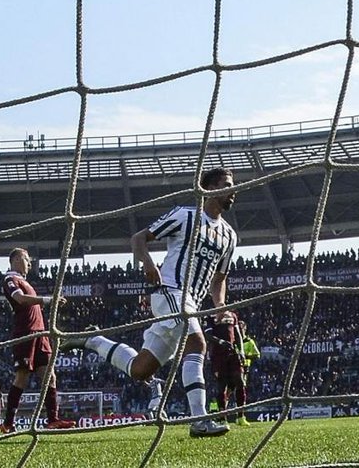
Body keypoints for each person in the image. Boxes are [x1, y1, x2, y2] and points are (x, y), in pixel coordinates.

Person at [62, 167, 239, 438]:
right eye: (227, 184)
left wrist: (220, 306)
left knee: (141, 369)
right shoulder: (185, 216)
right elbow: (138, 238)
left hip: (191, 302)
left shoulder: (229, 235)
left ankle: (93, 340)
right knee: (197, 344)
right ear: (210, 188)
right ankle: (200, 420)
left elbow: (219, 278)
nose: (233, 190)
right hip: (170, 291)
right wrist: (147, 264)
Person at [0, 247, 76, 432]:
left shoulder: (25, 282)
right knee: (22, 377)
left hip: (40, 335)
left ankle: (53, 419)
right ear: (16, 260)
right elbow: (20, 299)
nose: (29, 264)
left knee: (50, 376)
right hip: (25, 333)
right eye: (27, 260)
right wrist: (48, 300)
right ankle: (8, 423)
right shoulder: (11, 279)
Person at [210, 310, 249, 426]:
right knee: (222, 386)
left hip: (233, 353)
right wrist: (221, 342)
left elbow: (237, 334)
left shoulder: (232, 315)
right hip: (218, 356)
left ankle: (241, 416)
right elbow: (207, 334)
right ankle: (223, 417)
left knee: (240, 382)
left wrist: (241, 351)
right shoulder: (211, 314)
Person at [237, 318, 260, 416]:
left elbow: (257, 355)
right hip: (233, 366)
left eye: (241, 329)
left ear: (245, 329)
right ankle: (222, 414)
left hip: (245, 368)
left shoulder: (249, 342)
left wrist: (245, 356)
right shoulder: (234, 341)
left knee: (242, 388)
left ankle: (241, 413)